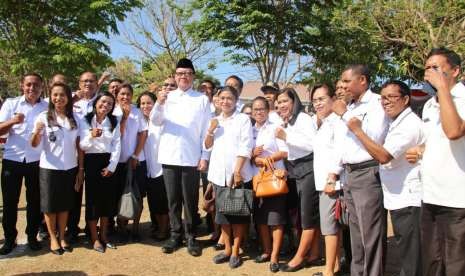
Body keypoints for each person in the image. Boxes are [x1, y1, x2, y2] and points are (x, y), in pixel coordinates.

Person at [346, 80, 423, 276]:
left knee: (411, 255)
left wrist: (357, 131)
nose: (386, 102)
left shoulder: (409, 124)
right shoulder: (394, 122)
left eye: (392, 97)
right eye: (383, 98)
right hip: (397, 196)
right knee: (406, 250)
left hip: (409, 197)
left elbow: (383, 155)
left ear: (405, 99)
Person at [406, 47, 465, 276]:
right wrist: (421, 150)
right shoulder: (431, 104)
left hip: (457, 200)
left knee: (456, 265)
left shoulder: (460, 98)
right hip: (430, 196)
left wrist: (443, 89)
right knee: (432, 263)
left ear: (456, 70)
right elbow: (437, 140)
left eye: (436, 68)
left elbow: (454, 131)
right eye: (427, 68)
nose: (429, 73)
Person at [331, 64, 388, 276]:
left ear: (362, 80)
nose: (343, 86)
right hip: (350, 174)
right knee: (355, 234)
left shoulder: (375, 104)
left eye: (346, 81)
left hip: (368, 172)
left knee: (370, 235)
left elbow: (372, 137)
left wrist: (344, 115)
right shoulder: (351, 107)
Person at [151, 58, 211, 256]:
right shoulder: (166, 97)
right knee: (173, 199)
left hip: (191, 157)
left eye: (187, 73)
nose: (183, 76)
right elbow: (156, 121)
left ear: (193, 76)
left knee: (190, 199)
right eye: (180, 73)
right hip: (169, 156)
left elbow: (206, 131)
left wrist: (205, 156)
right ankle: (175, 235)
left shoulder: (201, 99)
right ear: (175, 77)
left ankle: (191, 236)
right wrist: (159, 103)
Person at [205, 86, 254, 269]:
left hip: (238, 174)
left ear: (236, 99)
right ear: (218, 100)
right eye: (222, 98)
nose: (225, 101)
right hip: (218, 175)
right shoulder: (215, 121)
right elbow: (207, 146)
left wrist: (237, 171)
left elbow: (245, 146)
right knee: (223, 215)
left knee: (238, 214)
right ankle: (226, 248)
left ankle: (235, 251)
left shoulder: (242, 119)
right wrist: (210, 130)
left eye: (229, 98)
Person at [30, 83, 81, 255]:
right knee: (50, 206)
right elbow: (34, 143)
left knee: (65, 205)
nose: (58, 98)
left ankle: (62, 236)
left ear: (68, 98)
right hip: (49, 168)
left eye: (62, 95)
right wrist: (37, 133)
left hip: (70, 168)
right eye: (55, 95)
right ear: (50, 97)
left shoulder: (74, 118)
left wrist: (80, 169)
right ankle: (53, 238)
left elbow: (79, 144)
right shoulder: (43, 117)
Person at [0, 73, 48, 255]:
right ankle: (10, 239)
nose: (32, 88)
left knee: (34, 202)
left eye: (36, 85)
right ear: (22, 85)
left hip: (36, 161)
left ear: (41, 88)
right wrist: (13, 120)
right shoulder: (11, 104)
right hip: (13, 160)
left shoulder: (46, 107)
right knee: (10, 202)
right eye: (28, 84)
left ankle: (31, 236)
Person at [274, 88, 319, 272]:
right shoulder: (288, 122)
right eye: (279, 103)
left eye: (285, 101)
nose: (281, 105)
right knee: (306, 215)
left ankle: (299, 257)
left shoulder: (304, 118)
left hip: (308, 167)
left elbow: (312, 144)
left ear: (294, 101)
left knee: (307, 216)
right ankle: (315, 254)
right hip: (294, 169)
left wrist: (287, 137)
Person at [79, 92, 121, 253]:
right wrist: (91, 136)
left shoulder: (114, 121)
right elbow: (82, 146)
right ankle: (94, 238)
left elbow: (117, 144)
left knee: (107, 201)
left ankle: (104, 236)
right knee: (93, 202)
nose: (105, 105)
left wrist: (112, 166)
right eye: (103, 102)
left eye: (110, 103)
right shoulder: (85, 120)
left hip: (108, 162)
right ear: (96, 102)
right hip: (91, 162)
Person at [250, 96, 288, 273]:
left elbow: (285, 151)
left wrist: (266, 159)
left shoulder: (274, 127)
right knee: (262, 219)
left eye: (261, 109)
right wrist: (253, 155)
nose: (258, 112)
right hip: (257, 179)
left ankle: (275, 256)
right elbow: (246, 154)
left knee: (276, 220)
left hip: (275, 178)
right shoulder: (250, 130)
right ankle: (266, 250)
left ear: (268, 110)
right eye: (255, 109)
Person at [310, 84, 343, 276]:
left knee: (329, 228)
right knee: (332, 227)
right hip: (323, 182)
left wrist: (332, 177)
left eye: (321, 99)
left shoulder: (336, 122)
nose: (317, 104)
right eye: (314, 100)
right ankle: (335, 265)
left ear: (333, 99)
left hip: (331, 183)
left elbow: (339, 151)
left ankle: (329, 270)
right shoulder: (324, 123)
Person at [112, 83, 148, 242]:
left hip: (136, 161)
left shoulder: (137, 111)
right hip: (117, 162)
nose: (125, 97)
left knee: (137, 195)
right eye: (122, 94)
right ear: (116, 95)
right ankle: (121, 227)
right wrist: (124, 118)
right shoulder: (111, 111)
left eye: (128, 94)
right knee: (119, 195)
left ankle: (135, 228)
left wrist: (135, 156)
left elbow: (143, 134)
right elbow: (115, 135)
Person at [137, 91, 169, 241]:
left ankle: (164, 229)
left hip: (160, 168)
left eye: (149, 102)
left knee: (161, 202)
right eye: (142, 103)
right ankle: (158, 226)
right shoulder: (140, 122)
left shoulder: (160, 121)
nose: (145, 106)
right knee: (153, 201)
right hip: (147, 169)